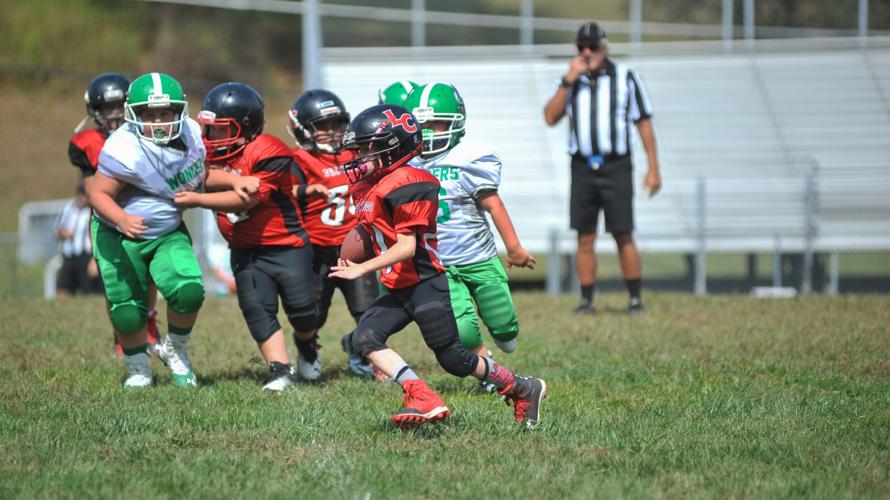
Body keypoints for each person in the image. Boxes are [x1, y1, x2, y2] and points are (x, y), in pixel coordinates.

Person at [331, 103, 547, 430]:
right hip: (397, 285)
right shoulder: (370, 185)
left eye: (365, 149)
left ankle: (522, 387)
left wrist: (362, 269)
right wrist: (351, 248)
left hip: (425, 283)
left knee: (454, 359)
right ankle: (420, 394)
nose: (358, 156)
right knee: (365, 337)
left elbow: (407, 247)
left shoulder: (408, 182)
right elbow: (371, 230)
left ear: (392, 148)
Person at [88, 72, 257, 388]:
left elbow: (200, 176)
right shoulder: (124, 147)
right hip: (116, 233)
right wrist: (122, 219)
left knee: (189, 290)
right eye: (148, 114)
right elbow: (98, 194)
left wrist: (235, 180)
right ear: (133, 114)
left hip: (166, 231)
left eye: (164, 113)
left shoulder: (192, 133)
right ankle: (138, 367)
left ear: (179, 112)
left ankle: (175, 350)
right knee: (127, 309)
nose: (157, 121)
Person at [176, 81, 320, 392]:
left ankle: (308, 345)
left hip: (286, 245)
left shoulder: (268, 150)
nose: (210, 138)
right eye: (208, 129)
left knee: (305, 312)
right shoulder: (205, 155)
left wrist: (198, 199)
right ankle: (280, 370)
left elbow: (248, 200)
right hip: (244, 249)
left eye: (219, 130)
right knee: (257, 310)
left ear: (246, 127)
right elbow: (201, 175)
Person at [404, 82, 535, 363]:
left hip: (480, 257)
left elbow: (493, 204)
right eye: (421, 124)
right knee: (462, 330)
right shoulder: (409, 164)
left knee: (504, 327)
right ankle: (486, 365)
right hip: (440, 264)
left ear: (456, 122)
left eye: (436, 124)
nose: (427, 132)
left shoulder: (469, 157)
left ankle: (502, 335)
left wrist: (513, 247)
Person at [543, 21, 662, 316]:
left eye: (592, 46)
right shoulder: (572, 81)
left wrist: (653, 168)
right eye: (581, 46)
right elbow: (550, 116)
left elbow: (643, 123)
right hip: (583, 166)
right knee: (585, 236)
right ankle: (587, 301)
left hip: (616, 165)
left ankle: (635, 299)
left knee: (623, 232)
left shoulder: (626, 78)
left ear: (604, 48)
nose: (586, 52)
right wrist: (569, 79)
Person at [287, 89, 379, 377]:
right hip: (314, 249)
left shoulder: (355, 154)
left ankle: (368, 356)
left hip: (355, 244)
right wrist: (304, 190)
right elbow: (277, 191)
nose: (331, 132)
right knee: (313, 314)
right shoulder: (298, 160)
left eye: (336, 124)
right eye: (322, 126)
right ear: (303, 129)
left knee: (368, 310)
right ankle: (308, 349)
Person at [68, 72, 162, 353]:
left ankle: (149, 320)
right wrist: (115, 219)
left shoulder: (147, 133)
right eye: (107, 109)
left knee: (149, 275)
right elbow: (92, 190)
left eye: (120, 106)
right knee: (116, 280)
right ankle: (122, 332)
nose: (115, 115)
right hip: (107, 217)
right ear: (94, 112)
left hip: (143, 211)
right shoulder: (87, 143)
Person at [54, 181, 101, 296]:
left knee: (90, 291)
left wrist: (95, 259)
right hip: (69, 257)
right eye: (79, 194)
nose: (81, 198)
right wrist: (62, 233)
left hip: (86, 257)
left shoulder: (93, 211)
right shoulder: (68, 209)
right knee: (62, 289)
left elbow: (98, 236)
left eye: (84, 195)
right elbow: (56, 230)